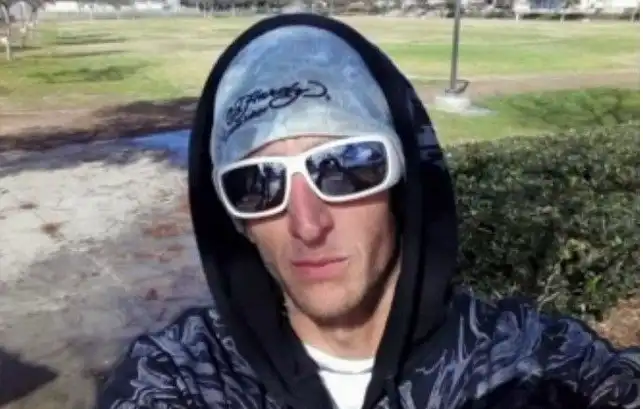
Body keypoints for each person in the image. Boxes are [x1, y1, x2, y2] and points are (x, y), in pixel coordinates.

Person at [97, 13, 640, 409]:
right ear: (236, 220)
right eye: (258, 184)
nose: (308, 223)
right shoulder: (179, 376)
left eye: (346, 167)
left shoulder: (530, 363)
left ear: (402, 180)